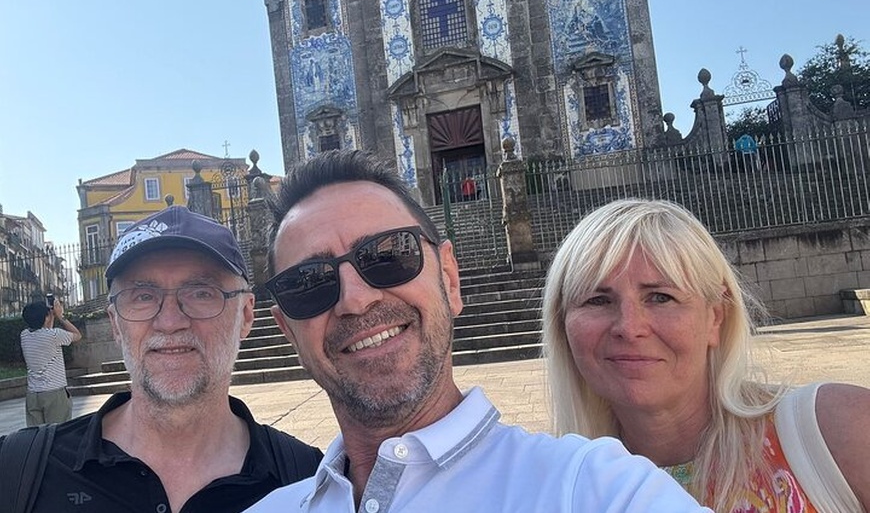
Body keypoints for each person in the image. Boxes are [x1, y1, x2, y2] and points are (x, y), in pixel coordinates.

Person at [246, 150, 710, 512]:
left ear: (450, 279)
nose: (355, 300)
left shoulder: (592, 488)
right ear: (288, 330)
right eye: (308, 283)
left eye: (388, 255)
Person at [541, 198, 870, 512]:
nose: (629, 327)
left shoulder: (838, 431)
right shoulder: (556, 490)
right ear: (562, 326)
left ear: (715, 317)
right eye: (597, 300)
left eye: (660, 297)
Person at [0, 205, 322, 512]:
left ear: (246, 315)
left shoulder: (314, 485)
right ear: (115, 323)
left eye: (201, 293)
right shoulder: (15, 472)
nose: (169, 322)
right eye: (143, 296)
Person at [20, 298, 82, 425]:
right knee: (58, 432)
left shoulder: (24, 335)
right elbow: (77, 335)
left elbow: (45, 330)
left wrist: (50, 316)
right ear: (46, 317)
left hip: (33, 394)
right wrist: (60, 316)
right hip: (54, 393)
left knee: (37, 434)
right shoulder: (54, 335)